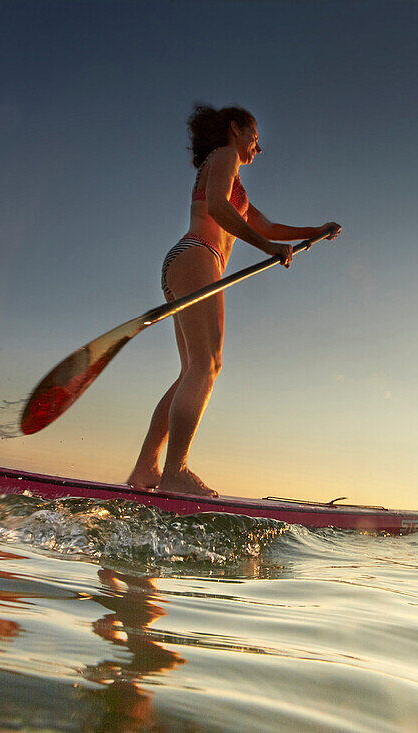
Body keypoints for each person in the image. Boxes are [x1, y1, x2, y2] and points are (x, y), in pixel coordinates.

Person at [127, 104, 341, 496]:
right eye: (255, 137)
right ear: (234, 130)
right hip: (198, 256)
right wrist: (266, 248)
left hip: (184, 262)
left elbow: (269, 225)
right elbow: (217, 208)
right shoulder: (224, 157)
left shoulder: (234, 180)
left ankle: (146, 470)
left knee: (192, 371)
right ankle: (175, 471)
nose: (258, 147)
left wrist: (318, 230)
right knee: (208, 366)